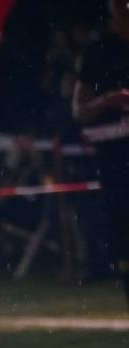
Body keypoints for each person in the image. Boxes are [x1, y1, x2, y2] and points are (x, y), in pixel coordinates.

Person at [73, 0, 129, 310]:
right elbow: (79, 111)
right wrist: (107, 100)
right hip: (115, 159)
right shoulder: (99, 53)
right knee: (120, 235)